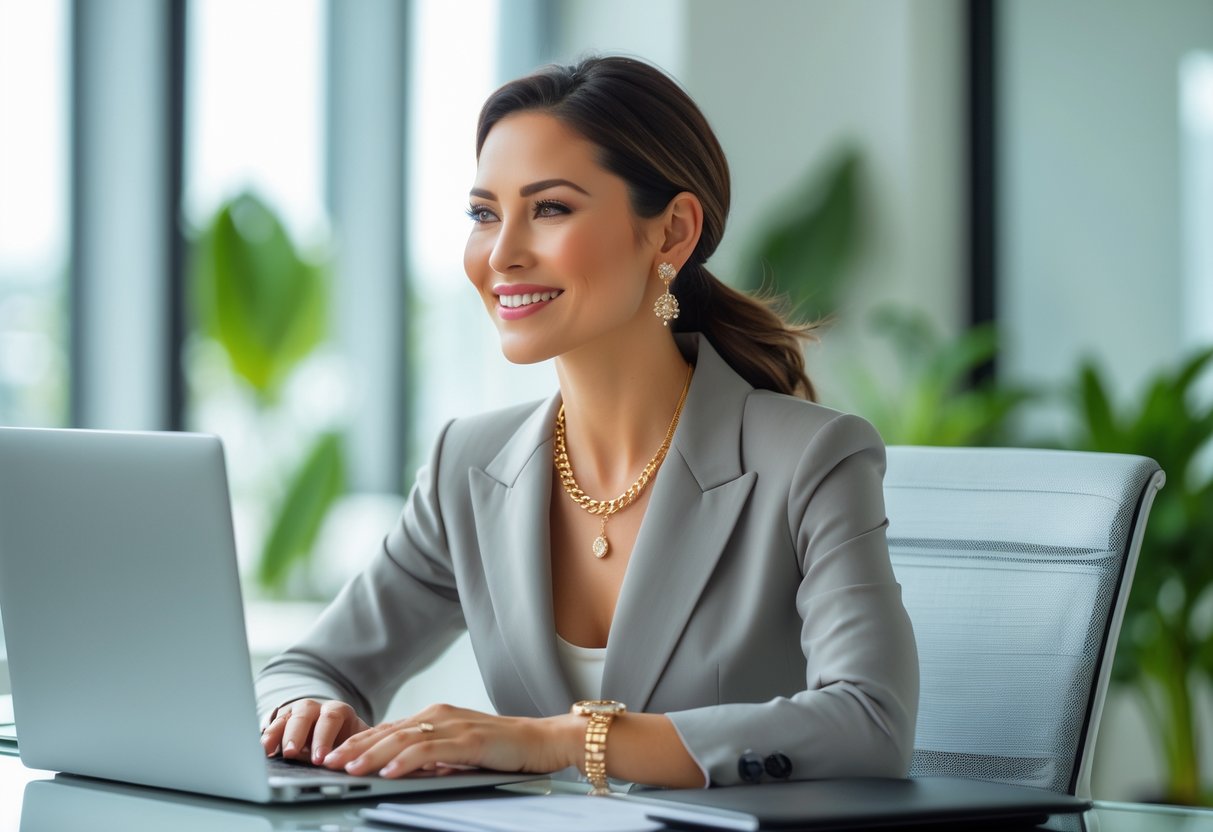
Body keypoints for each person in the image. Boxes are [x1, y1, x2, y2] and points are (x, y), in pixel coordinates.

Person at [256, 55, 918, 792]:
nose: (500, 254)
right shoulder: (466, 465)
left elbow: (870, 724)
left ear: (671, 233)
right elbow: (311, 665)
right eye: (483, 213)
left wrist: (567, 740)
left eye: (549, 209)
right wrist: (305, 708)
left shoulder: (810, 457)